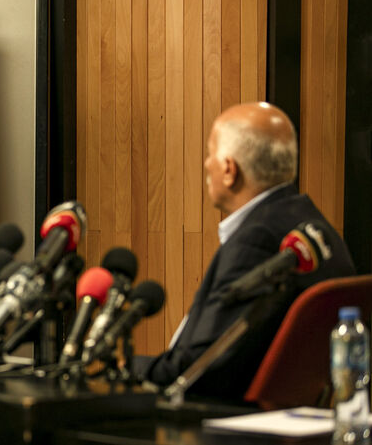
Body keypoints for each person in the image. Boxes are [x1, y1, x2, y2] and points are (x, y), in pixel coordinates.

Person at [134, 102, 355, 400]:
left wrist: (124, 367)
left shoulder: (259, 241)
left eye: (211, 152)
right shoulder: (314, 225)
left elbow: (199, 374)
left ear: (229, 170)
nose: (205, 163)